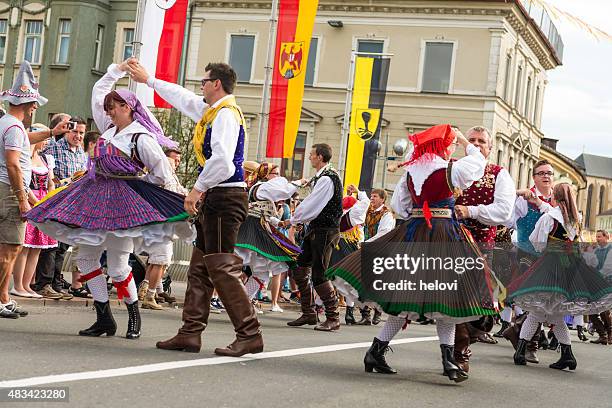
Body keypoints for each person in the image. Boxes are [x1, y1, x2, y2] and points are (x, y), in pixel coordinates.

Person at [26, 60, 192, 339]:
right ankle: (104, 317)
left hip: (122, 207)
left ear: (127, 108)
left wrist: (138, 194)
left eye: (113, 108)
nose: (107, 112)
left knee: (117, 266)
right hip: (94, 200)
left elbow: (161, 173)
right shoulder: (110, 129)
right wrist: (117, 70)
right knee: (87, 258)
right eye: (107, 109)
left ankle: (133, 316)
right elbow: (98, 91)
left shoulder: (141, 138)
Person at [327, 125, 498, 383]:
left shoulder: (412, 170)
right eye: (451, 144)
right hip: (443, 235)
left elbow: (400, 206)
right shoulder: (450, 169)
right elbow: (479, 162)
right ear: (442, 145)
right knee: (446, 298)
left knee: (406, 298)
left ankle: (378, 351)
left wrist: (419, 216)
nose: (453, 147)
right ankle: (447, 360)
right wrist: (467, 142)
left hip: (414, 232)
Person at [128, 59, 262, 356]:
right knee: (201, 269)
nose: (200, 85)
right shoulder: (213, 111)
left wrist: (196, 190)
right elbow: (183, 98)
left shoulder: (226, 114)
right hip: (219, 197)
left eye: (204, 81)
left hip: (224, 197)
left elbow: (223, 161)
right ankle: (190, 333)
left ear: (216, 84)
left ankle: (249, 333)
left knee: (221, 269)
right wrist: (149, 80)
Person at [507, 183, 612, 370]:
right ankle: (563, 355)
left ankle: (522, 352)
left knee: (539, 311)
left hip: (551, 266)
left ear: (555, 197)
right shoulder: (576, 219)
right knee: (555, 314)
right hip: (572, 267)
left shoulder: (549, 218)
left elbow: (536, 243)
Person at [451, 125, 515, 372]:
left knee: (478, 303)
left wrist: (472, 211)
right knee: (454, 298)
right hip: (450, 241)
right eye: (472, 140)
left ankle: (466, 341)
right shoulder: (455, 168)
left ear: (489, 149)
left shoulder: (498, 174)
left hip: (480, 245)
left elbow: (503, 211)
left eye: (481, 142)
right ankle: (459, 352)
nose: (476, 145)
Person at [0, 61, 50, 318]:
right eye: (34, 104)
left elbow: (22, 140)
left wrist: (52, 132)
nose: (35, 108)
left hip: (6, 189)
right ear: (28, 105)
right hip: (9, 191)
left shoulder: (9, 124)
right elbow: (12, 164)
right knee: (10, 249)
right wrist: (23, 198)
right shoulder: (13, 127)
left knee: (9, 249)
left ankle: (5, 297)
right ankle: (1, 300)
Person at [281, 143, 343, 332]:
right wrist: (298, 219)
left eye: (312, 155)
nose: (309, 157)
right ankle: (308, 312)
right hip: (316, 229)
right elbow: (311, 202)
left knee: (319, 274)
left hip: (325, 231)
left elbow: (313, 204)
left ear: (321, 157)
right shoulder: (322, 177)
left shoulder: (327, 179)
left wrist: (293, 219)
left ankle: (333, 317)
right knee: (299, 268)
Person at [501, 160, 555, 362]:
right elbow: (509, 220)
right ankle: (528, 344)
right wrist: (512, 195)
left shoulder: (556, 199)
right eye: (541, 173)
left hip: (549, 257)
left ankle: (518, 333)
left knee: (544, 302)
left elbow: (559, 218)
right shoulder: (525, 199)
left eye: (549, 173)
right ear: (534, 177)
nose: (546, 176)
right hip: (526, 254)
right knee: (533, 300)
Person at [235, 162, 301, 313]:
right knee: (236, 265)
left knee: (262, 272)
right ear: (266, 174)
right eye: (275, 174)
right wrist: (299, 182)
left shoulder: (262, 190)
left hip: (260, 229)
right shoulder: (262, 187)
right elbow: (284, 191)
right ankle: (225, 298)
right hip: (252, 229)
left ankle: (242, 302)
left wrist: (283, 223)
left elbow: (269, 217)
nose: (278, 177)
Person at [11, 126, 57, 299]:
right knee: (25, 247)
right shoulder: (25, 157)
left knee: (37, 248)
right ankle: (18, 285)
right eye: (43, 137)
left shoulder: (45, 158)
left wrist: (50, 199)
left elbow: (51, 182)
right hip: (31, 200)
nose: (45, 141)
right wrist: (37, 202)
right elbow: (24, 182)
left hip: (43, 201)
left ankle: (27, 285)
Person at [329, 184, 369, 324]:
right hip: (350, 247)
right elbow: (365, 203)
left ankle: (320, 309)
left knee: (330, 277)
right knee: (350, 281)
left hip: (336, 245)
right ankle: (349, 314)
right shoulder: (354, 216)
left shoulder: (338, 215)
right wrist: (358, 192)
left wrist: (350, 195)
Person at [355, 188, 395, 326]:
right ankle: (365, 314)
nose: (372, 199)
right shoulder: (369, 211)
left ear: (383, 199)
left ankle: (378, 311)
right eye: (371, 196)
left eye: (375, 196)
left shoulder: (387, 214)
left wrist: (367, 243)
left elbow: (383, 233)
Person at [584, 230, 612, 344]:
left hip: (607, 282)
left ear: (607, 237)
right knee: (591, 309)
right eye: (596, 236)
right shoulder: (595, 250)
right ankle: (602, 334)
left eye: (599, 237)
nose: (597, 239)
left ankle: (610, 334)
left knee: (604, 309)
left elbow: (608, 267)